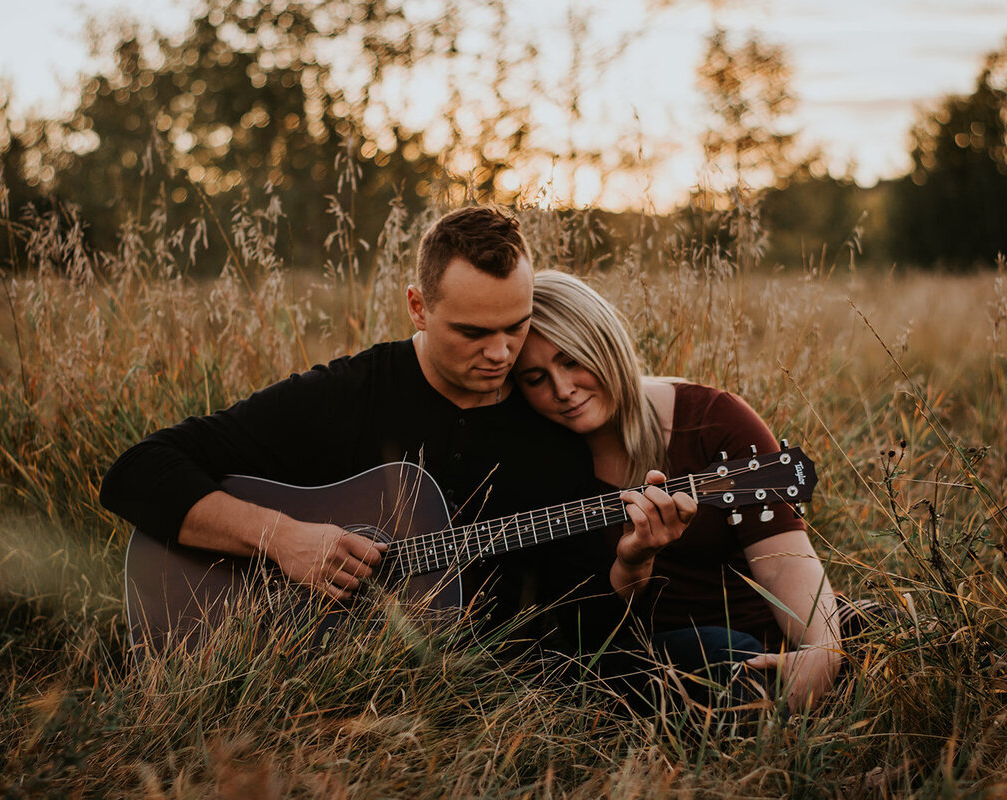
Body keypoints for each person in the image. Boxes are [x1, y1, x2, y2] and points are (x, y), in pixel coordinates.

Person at [100, 207, 689, 645]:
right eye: (472, 333)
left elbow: (580, 628)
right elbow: (136, 472)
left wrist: (634, 562)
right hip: (269, 656)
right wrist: (282, 538)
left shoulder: (553, 437)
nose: (501, 353)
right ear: (418, 307)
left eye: (516, 325)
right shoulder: (347, 393)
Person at [513, 270, 844, 711]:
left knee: (898, 633)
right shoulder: (536, 463)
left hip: (765, 635)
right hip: (653, 659)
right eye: (536, 378)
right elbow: (591, 629)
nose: (563, 389)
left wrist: (822, 650)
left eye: (572, 360)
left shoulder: (713, 420)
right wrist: (635, 560)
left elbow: (784, 562)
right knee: (718, 654)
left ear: (606, 345)